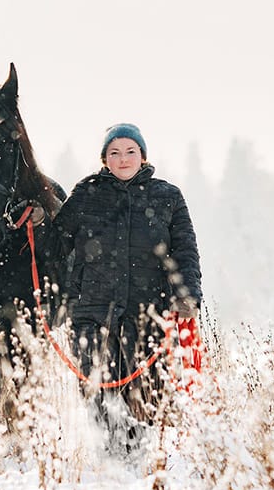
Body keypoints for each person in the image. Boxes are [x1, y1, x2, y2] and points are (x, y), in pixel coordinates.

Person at [50, 123, 202, 421]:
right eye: (114, 152)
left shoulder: (168, 197)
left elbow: (185, 251)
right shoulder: (86, 193)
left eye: (130, 151)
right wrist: (40, 222)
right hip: (91, 315)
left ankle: (141, 461)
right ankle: (102, 462)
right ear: (104, 158)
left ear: (142, 156)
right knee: (98, 401)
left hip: (149, 315)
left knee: (145, 402)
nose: (123, 159)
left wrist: (187, 295)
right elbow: (56, 246)